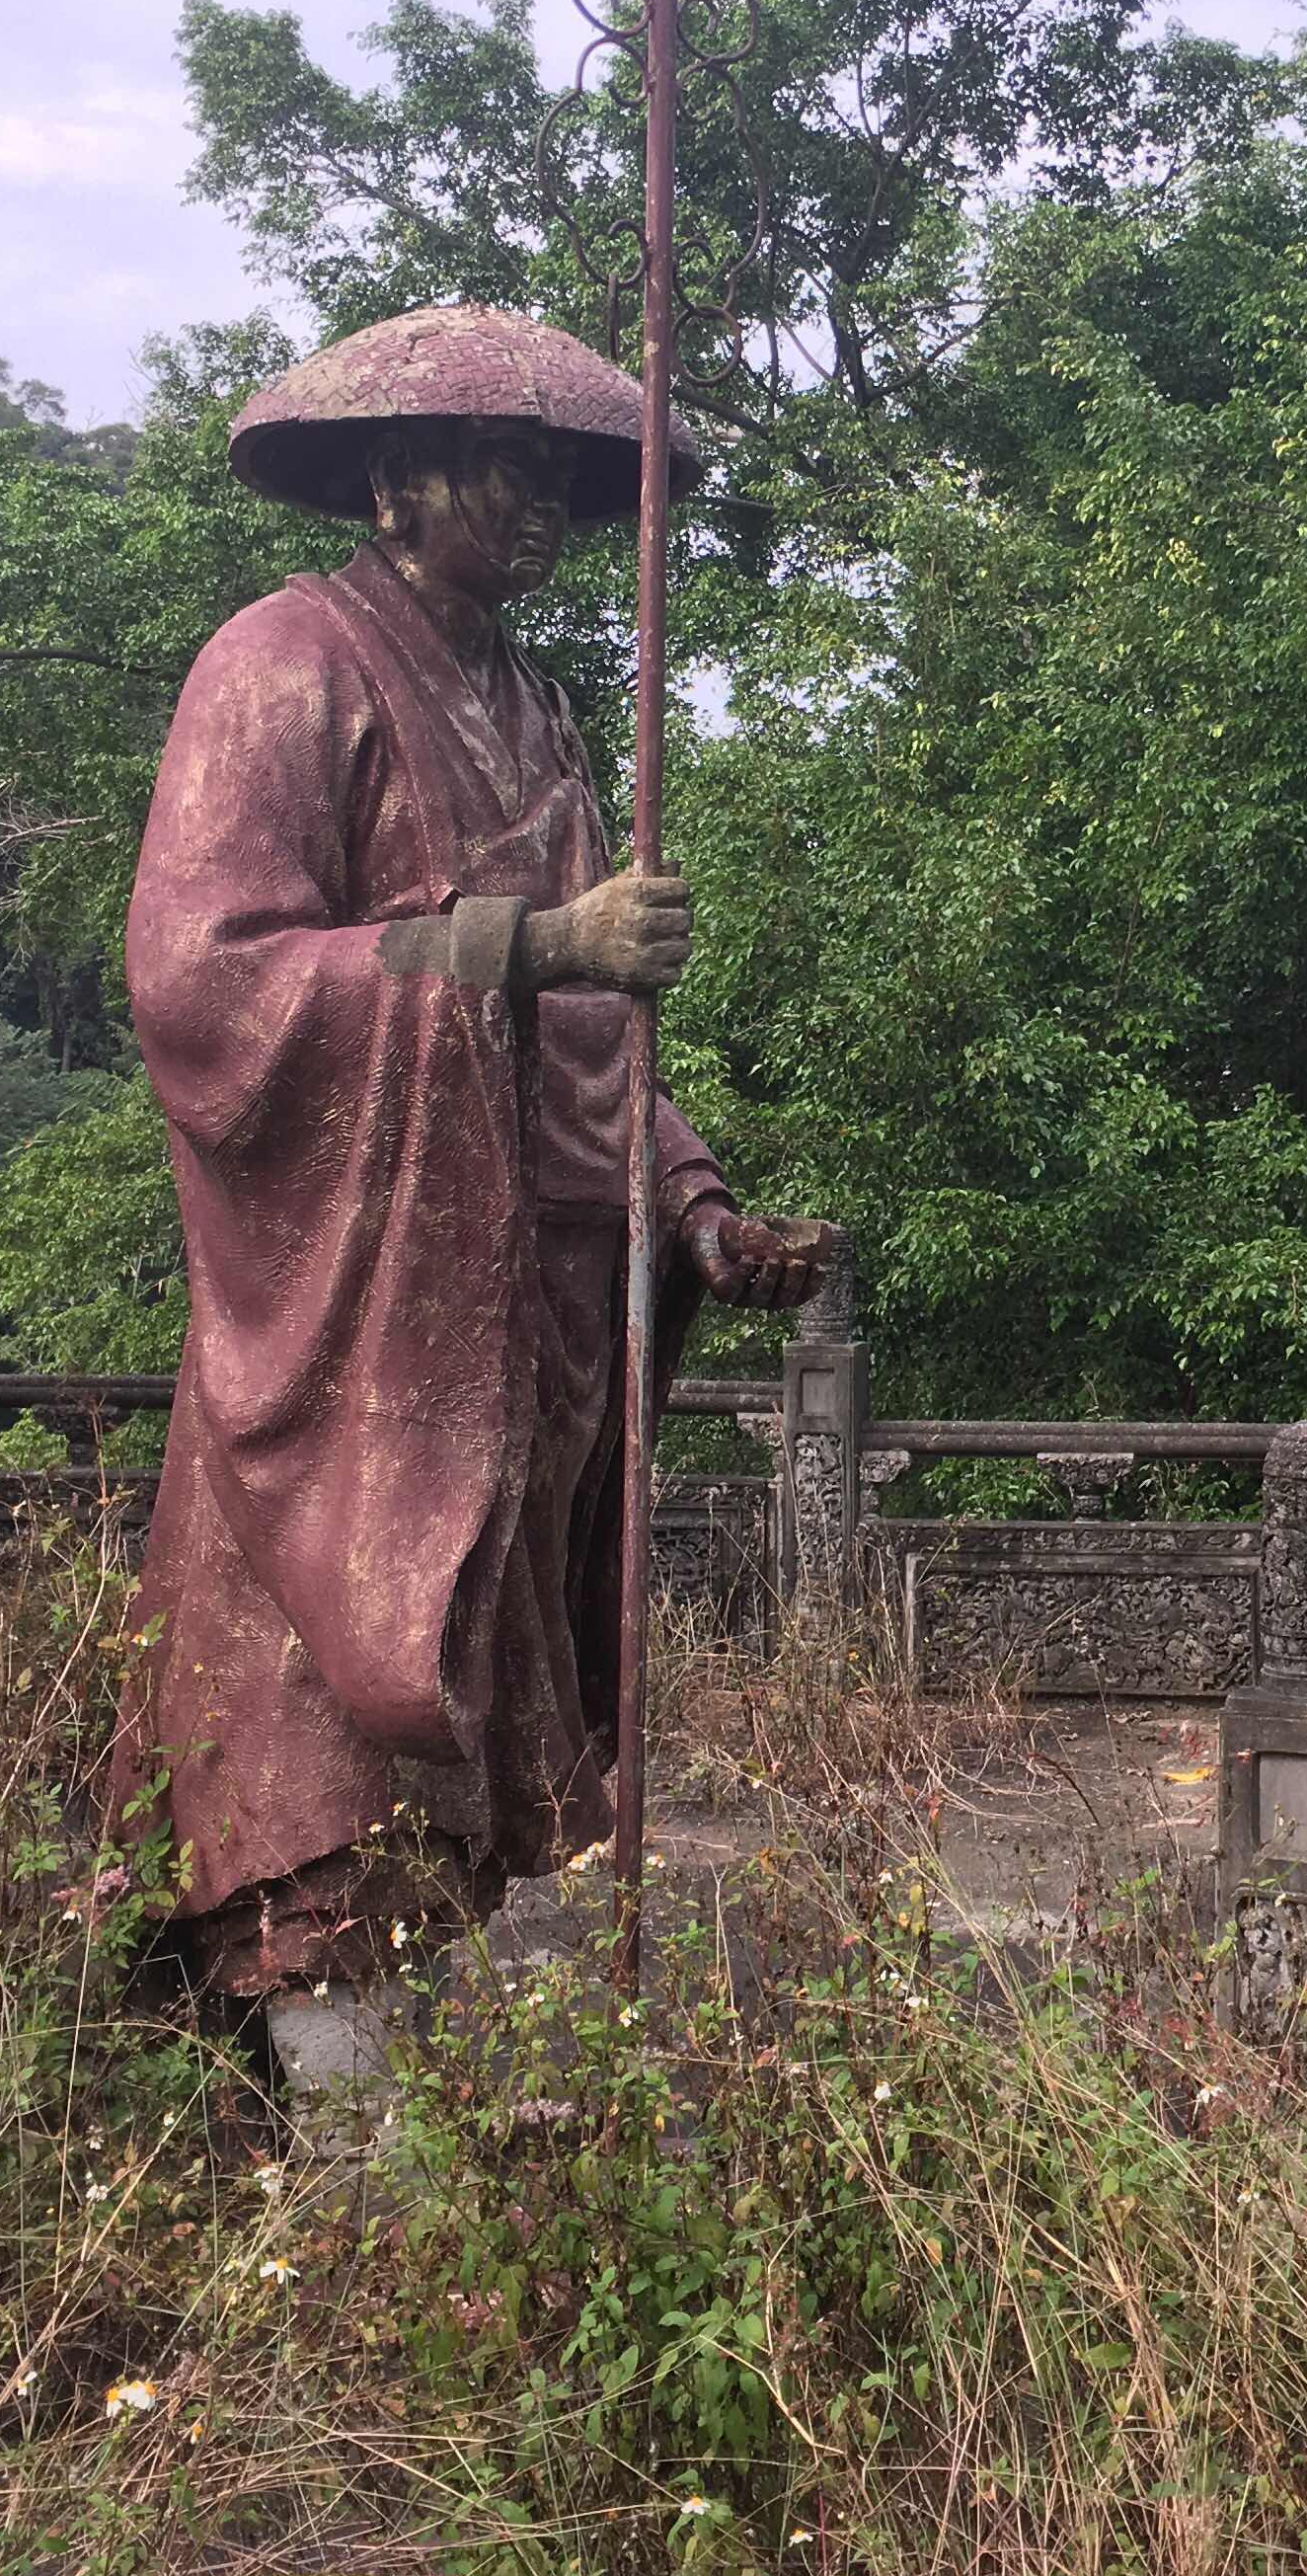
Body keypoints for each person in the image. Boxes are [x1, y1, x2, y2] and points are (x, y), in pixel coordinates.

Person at [102, 306, 823, 2128]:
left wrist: (692, 1200)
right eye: (509, 470)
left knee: (474, 1701)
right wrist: (521, 944)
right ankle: (341, 2127)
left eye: (564, 481)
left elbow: (596, 1029)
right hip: (366, 1318)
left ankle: (398, 2124)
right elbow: (205, 978)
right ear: (399, 477)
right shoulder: (286, 662)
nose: (545, 511)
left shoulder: (540, 712)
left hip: (528, 1311)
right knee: (324, 1701)